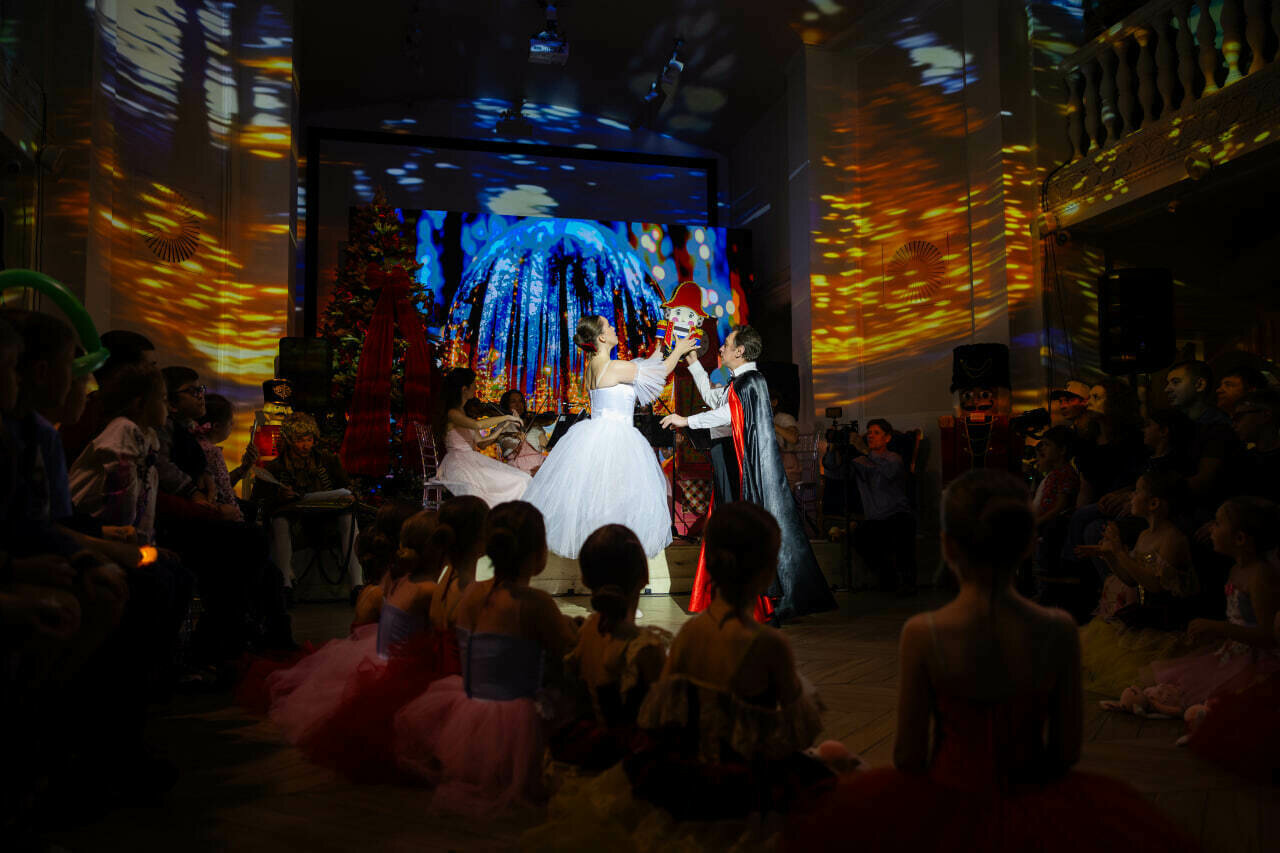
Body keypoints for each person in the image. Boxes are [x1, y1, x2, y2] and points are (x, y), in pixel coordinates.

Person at [784, 470, 1197, 853]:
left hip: (950, 794)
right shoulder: (1058, 630)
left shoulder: (924, 633)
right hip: (1036, 798)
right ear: (1028, 544)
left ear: (948, 546)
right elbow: (1065, 749)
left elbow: (909, 754)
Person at [393, 501, 578, 814]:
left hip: (471, 707)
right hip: (517, 717)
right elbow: (568, 651)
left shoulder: (473, 592)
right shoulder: (535, 602)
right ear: (538, 553)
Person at [667, 325, 837, 620]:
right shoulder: (741, 382)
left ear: (740, 351)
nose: (721, 349)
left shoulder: (751, 381)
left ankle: (770, 597)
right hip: (735, 465)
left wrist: (686, 420)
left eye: (726, 344)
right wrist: (693, 362)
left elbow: (727, 414)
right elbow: (716, 401)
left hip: (749, 469)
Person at [524, 315, 696, 559]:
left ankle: (603, 550)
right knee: (617, 497)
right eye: (609, 326)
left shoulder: (593, 366)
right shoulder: (614, 367)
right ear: (602, 337)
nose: (614, 328)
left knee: (600, 498)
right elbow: (660, 372)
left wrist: (661, 345)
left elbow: (646, 367)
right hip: (617, 438)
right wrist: (678, 350)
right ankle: (613, 553)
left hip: (594, 436)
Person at [1133, 497, 1280, 712]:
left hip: (1255, 659)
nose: (1211, 528)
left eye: (1218, 523)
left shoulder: (1260, 576)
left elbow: (1268, 637)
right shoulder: (1236, 570)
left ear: (1240, 538)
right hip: (1233, 652)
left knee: (1210, 695)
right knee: (1178, 679)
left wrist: (1219, 628)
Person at [548, 524, 669, 772]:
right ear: (643, 577)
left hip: (591, 754)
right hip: (630, 766)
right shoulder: (646, 648)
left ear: (585, 579)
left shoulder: (586, 632)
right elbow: (662, 721)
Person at [1077, 471, 1199, 696]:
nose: (1131, 496)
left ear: (1153, 503)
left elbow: (1155, 585)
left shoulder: (1173, 539)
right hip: (1143, 616)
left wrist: (1119, 552)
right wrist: (1109, 555)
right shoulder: (1144, 535)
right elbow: (1130, 579)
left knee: (1134, 673)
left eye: (1137, 491)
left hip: (1166, 622)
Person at [254, 412, 363, 592]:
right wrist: (279, 498)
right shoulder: (275, 467)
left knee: (348, 518)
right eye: (299, 440)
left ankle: (357, 585)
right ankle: (285, 586)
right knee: (279, 521)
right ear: (289, 440)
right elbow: (258, 503)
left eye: (309, 439)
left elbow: (347, 488)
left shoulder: (328, 461)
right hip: (295, 523)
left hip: (328, 519)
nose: (306, 445)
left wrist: (349, 496)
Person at [433, 368, 531, 507]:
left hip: (471, 460)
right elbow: (477, 425)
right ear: (464, 389)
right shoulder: (452, 413)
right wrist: (507, 417)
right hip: (459, 464)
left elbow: (481, 443)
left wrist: (504, 425)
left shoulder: (463, 412)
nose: (476, 387)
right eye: (474, 384)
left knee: (523, 478)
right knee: (519, 481)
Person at [849, 419, 917, 595]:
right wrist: (837, 449)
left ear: (887, 438)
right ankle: (888, 579)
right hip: (875, 518)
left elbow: (887, 473)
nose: (871, 436)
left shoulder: (893, 458)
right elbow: (837, 470)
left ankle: (906, 582)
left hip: (896, 514)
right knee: (860, 537)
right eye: (869, 432)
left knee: (902, 532)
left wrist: (865, 451)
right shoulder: (860, 460)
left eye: (876, 433)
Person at [496, 388, 549, 475]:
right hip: (515, 470)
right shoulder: (502, 426)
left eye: (520, 401)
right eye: (513, 401)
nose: (518, 405)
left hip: (539, 467)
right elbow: (485, 443)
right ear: (506, 405)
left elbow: (546, 445)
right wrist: (511, 433)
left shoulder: (533, 424)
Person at [771, 391, 802, 487]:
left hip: (787, 467)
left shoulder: (785, 418)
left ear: (774, 402)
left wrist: (771, 425)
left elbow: (793, 438)